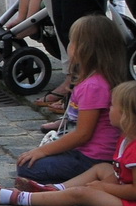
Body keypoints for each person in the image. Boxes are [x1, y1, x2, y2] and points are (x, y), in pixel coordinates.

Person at [0, 80, 136, 206]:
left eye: (112, 106)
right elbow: (119, 175)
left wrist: (103, 187)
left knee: (80, 193)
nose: (109, 109)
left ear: (125, 114)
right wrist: (103, 185)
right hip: (124, 191)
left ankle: (21, 198)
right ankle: (56, 189)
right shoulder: (125, 138)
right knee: (101, 168)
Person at [8, 15, 129, 184]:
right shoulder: (94, 80)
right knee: (33, 160)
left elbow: (82, 134)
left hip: (92, 158)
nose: (68, 46)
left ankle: (82, 180)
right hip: (86, 152)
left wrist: (43, 151)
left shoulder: (94, 86)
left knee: (27, 167)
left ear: (84, 49)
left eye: (72, 42)